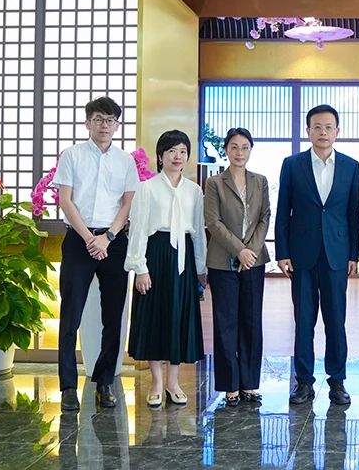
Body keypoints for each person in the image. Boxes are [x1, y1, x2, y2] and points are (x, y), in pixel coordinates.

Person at [53, 96, 139, 411]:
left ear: (117, 125)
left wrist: (109, 236)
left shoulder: (125, 161)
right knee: (70, 314)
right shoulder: (72, 155)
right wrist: (90, 238)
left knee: (113, 315)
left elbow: (128, 202)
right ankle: (67, 387)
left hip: (114, 241)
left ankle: (104, 382)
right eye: (99, 119)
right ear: (88, 122)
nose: (105, 125)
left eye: (110, 120)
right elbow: (65, 200)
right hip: (79, 240)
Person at [275, 104, 359, 405]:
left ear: (338, 131)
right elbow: (283, 211)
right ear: (308, 130)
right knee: (304, 320)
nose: (323, 132)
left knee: (336, 320)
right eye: (317, 127)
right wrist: (282, 252)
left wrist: (353, 254)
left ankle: (337, 381)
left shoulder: (350, 166)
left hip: (337, 254)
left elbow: (353, 214)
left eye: (328, 127)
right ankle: (303, 382)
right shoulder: (292, 164)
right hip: (302, 255)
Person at [124, 130, 207, 408]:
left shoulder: (194, 190)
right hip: (156, 255)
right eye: (171, 151)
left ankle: (174, 382)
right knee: (155, 316)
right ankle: (157, 383)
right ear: (160, 156)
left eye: (182, 151)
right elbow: (138, 229)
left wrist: (200, 268)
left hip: (184, 257)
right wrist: (140, 267)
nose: (177, 156)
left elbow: (198, 232)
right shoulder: (147, 188)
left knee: (179, 317)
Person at [204, 127, 271, 406]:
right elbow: (213, 222)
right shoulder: (214, 183)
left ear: (250, 150)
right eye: (234, 147)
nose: (239, 152)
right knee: (226, 322)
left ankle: (249, 383)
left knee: (251, 321)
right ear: (226, 150)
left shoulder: (260, 181)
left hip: (254, 261)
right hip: (222, 261)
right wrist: (238, 250)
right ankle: (230, 385)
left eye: (245, 147)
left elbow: (265, 217)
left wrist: (250, 252)